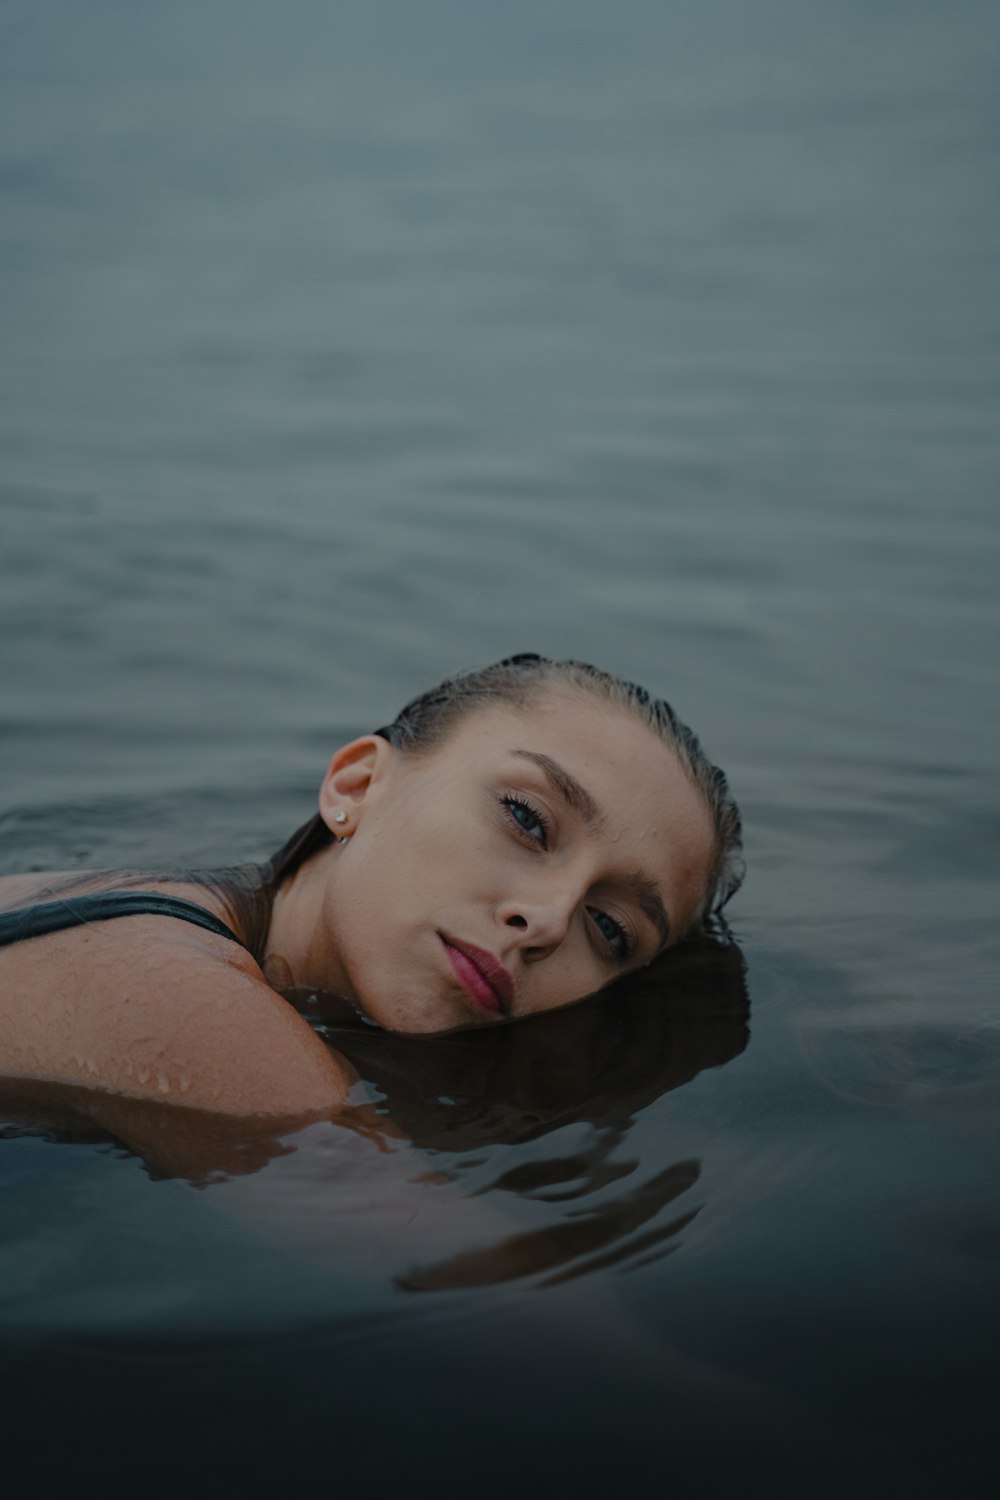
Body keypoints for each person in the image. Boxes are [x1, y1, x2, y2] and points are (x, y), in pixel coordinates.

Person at [0, 654, 744, 1132]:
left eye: (610, 930)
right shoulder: (166, 987)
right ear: (358, 784)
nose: (545, 922)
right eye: (526, 818)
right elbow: (490, 1303)